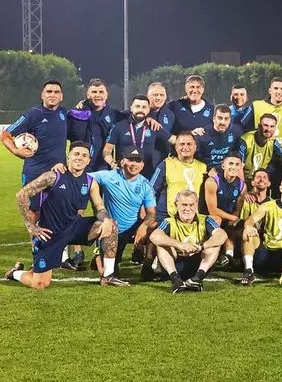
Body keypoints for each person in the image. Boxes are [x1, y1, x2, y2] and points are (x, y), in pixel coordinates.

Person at [6, 142, 125, 288]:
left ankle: (108, 276)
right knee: (40, 284)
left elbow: (99, 207)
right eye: (76, 154)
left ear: (88, 161)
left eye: (84, 155)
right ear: (68, 157)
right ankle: (15, 273)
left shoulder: (90, 182)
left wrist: (106, 219)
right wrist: (30, 225)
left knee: (111, 224)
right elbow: (22, 195)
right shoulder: (52, 176)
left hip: (75, 228)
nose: (80, 158)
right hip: (50, 234)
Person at [149, 189, 228, 293]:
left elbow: (222, 235)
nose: (188, 208)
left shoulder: (205, 220)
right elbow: (154, 236)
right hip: (175, 265)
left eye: (191, 205)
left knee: (214, 244)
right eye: (184, 205)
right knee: (162, 244)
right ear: (176, 205)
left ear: (196, 205)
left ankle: (197, 279)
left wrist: (201, 246)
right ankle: (176, 281)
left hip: (198, 265)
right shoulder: (169, 221)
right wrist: (180, 245)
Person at [93, 149, 157, 270]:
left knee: (155, 227)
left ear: (142, 165)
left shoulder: (145, 185)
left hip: (132, 230)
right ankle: (99, 252)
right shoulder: (108, 176)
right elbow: (83, 178)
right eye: (130, 160)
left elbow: (151, 213)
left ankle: (147, 265)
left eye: (138, 161)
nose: (134, 164)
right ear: (122, 162)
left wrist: (143, 226)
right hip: (111, 229)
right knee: (109, 270)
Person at [237, 176, 282, 285]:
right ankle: (248, 271)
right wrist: (249, 226)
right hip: (265, 254)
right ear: (280, 188)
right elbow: (250, 220)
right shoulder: (268, 206)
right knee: (247, 231)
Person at [149, 132, 209, 221]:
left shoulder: (203, 167)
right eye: (181, 144)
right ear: (176, 147)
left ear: (195, 147)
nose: (185, 147)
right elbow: (150, 191)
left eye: (189, 144)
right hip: (167, 216)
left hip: (193, 217)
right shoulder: (166, 164)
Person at [201, 152, 246, 266]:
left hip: (229, 216)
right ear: (223, 165)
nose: (234, 167)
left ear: (241, 167)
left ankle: (229, 256)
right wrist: (234, 218)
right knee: (217, 220)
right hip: (212, 216)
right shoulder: (212, 181)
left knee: (234, 226)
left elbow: (237, 209)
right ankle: (206, 253)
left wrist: (233, 220)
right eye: (230, 163)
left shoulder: (242, 185)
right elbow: (212, 210)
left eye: (237, 164)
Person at [104, 95, 171, 172]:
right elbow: (106, 150)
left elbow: (174, 140)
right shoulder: (119, 126)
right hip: (123, 172)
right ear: (131, 108)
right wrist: (112, 162)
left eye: (144, 107)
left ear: (148, 109)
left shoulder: (154, 126)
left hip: (147, 174)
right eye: (137, 106)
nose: (140, 109)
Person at [194, 104, 243, 169]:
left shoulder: (236, 132)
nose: (223, 122)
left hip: (227, 168)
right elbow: (195, 160)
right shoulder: (202, 135)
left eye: (226, 119)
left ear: (230, 120)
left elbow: (240, 150)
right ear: (214, 119)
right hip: (207, 170)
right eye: (220, 118)